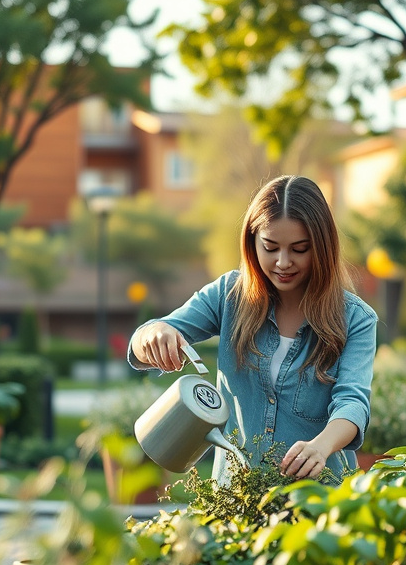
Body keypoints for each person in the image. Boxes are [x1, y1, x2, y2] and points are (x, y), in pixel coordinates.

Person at [128, 174, 378, 482]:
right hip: (235, 499)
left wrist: (320, 447)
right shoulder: (229, 295)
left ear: (322, 248)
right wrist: (155, 334)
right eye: (270, 247)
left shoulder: (356, 319)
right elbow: (148, 338)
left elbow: (353, 403)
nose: (283, 262)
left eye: (299, 249)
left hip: (318, 501)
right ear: (252, 243)